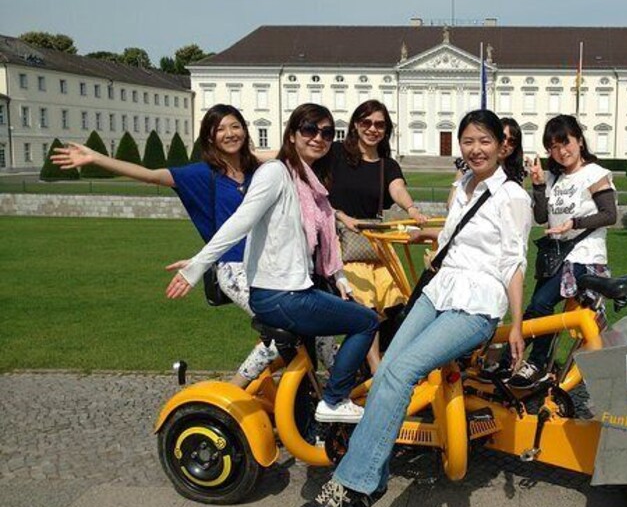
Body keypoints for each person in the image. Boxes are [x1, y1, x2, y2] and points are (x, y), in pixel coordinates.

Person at [299, 110, 531, 507]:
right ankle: (371, 477)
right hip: (439, 290)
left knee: (401, 371)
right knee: (387, 368)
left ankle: (352, 484)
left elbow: (514, 262)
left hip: (475, 303)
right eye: (468, 141)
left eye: (484, 141)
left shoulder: (513, 196)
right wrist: (424, 236)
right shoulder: (463, 185)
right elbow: (454, 238)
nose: (475, 149)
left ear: (501, 146)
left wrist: (515, 324)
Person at [164, 103, 379, 424]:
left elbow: (324, 233)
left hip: (293, 291)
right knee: (366, 322)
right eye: (309, 130)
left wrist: (342, 280)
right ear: (292, 134)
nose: (318, 138)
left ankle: (312, 413)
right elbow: (240, 222)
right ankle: (334, 401)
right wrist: (196, 266)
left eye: (326, 132)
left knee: (324, 341)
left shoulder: (307, 181)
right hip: (283, 296)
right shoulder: (276, 173)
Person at [51, 104, 276, 389]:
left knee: (290, 334)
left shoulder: (256, 169)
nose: (229, 134)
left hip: (267, 265)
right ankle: (233, 391)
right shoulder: (202, 174)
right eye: (220, 129)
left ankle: (279, 392)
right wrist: (97, 158)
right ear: (209, 138)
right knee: (282, 329)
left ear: (244, 129)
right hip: (233, 268)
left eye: (235, 126)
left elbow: (293, 152)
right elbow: (150, 175)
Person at [312, 100, 427, 374]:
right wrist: (341, 216)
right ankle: (376, 368)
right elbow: (311, 185)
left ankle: (373, 363)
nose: (372, 129)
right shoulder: (336, 153)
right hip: (342, 241)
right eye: (366, 123)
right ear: (355, 124)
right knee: (366, 304)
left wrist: (411, 208)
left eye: (379, 124)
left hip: (375, 244)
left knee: (393, 302)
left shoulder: (387, 164)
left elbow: (396, 188)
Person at [507, 114, 618, 390]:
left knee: (542, 304)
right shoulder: (555, 177)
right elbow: (543, 217)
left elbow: (609, 214)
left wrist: (574, 223)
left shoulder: (594, 174)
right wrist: (538, 185)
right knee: (535, 309)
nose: (561, 152)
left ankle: (538, 363)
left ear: (579, 140)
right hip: (556, 259)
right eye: (553, 147)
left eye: (565, 143)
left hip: (584, 257)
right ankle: (520, 360)